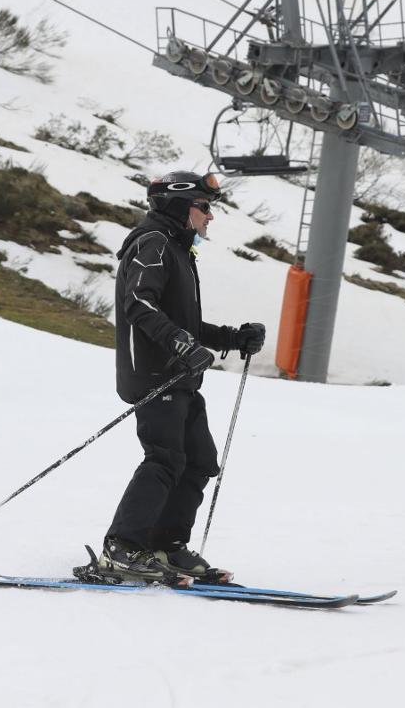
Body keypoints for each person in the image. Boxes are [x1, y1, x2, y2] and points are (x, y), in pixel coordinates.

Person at [100, 171, 266, 581]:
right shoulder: (153, 244)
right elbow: (138, 304)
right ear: (179, 206)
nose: (210, 217)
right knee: (165, 458)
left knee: (199, 462)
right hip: (156, 373)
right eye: (204, 207)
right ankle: (122, 546)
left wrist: (233, 338)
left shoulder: (177, 249)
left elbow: (183, 321)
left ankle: (165, 545)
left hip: (180, 374)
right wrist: (180, 345)